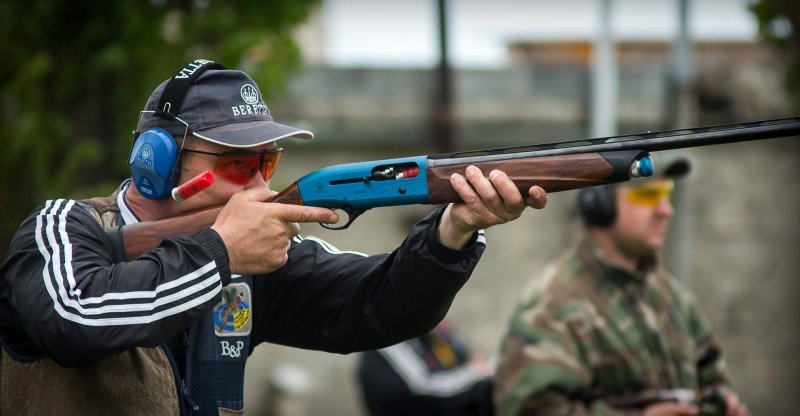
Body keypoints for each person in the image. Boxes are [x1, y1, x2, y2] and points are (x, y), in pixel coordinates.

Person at [0, 59, 547, 415]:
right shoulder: (64, 228)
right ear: (156, 162)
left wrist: (451, 233)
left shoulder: (257, 257)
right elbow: (75, 317)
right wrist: (219, 253)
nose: (262, 182)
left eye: (269, 159)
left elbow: (381, 305)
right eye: (240, 163)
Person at [493, 155, 749, 416]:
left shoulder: (670, 294)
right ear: (601, 206)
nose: (665, 210)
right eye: (650, 195)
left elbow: (713, 377)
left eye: (667, 193)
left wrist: (723, 405)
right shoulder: (552, 303)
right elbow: (529, 409)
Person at [356, 318, 494, 416]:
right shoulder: (386, 340)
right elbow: (423, 386)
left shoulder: (431, 329)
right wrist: (476, 372)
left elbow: (464, 359)